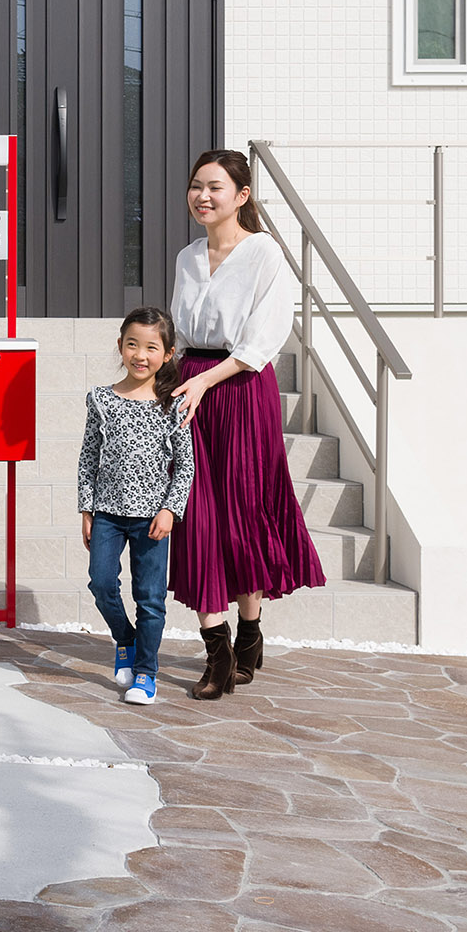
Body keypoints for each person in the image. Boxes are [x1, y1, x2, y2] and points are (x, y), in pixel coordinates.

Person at [168, 149, 326, 701]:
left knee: (243, 511)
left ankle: (250, 631)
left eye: (215, 187)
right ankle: (217, 652)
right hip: (190, 386)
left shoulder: (264, 252)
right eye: (196, 186)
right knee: (197, 516)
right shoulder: (188, 257)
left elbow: (264, 337)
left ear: (241, 196)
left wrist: (207, 381)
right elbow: (181, 334)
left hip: (239, 387)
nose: (202, 196)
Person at [77, 307, 195, 706]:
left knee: (150, 598)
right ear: (120, 346)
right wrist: (87, 509)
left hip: (152, 519)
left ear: (168, 354)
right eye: (132, 345)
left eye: (151, 348)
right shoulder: (101, 399)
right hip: (108, 514)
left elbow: (186, 465)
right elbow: (88, 457)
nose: (140, 355)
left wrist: (170, 510)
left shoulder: (173, 405)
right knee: (101, 583)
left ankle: (145, 673)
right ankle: (124, 638)